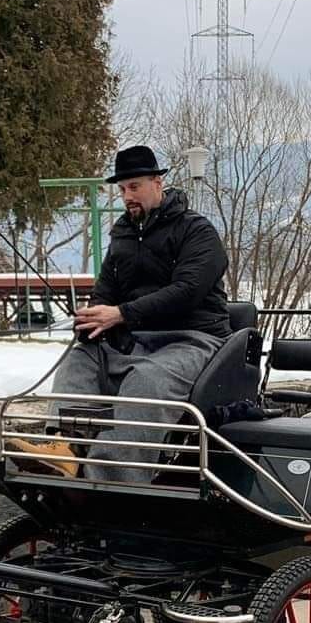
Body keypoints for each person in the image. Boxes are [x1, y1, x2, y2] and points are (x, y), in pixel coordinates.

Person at [50, 145, 231, 482]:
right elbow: (106, 291)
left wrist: (120, 314)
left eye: (134, 187)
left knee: (147, 379)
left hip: (194, 341)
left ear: (157, 183)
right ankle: (63, 451)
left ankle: (110, 477)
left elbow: (187, 291)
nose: (126, 196)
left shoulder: (197, 231)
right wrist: (90, 321)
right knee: (79, 361)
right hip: (136, 342)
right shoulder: (122, 235)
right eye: (121, 190)